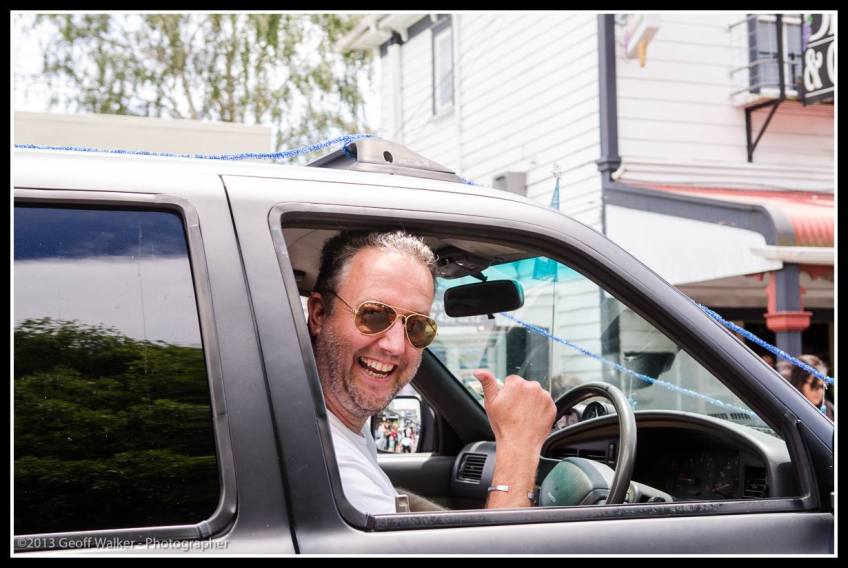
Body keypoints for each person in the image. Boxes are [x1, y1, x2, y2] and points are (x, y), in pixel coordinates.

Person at [307, 230, 556, 515]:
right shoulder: (331, 467)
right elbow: (501, 544)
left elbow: (391, 503)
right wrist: (519, 450)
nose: (395, 346)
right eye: (373, 314)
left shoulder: (326, 423)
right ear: (319, 314)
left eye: (417, 326)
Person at [787, 354, 834, 420]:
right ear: (799, 381)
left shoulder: (829, 410)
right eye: (814, 385)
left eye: (822, 386)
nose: (820, 392)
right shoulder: (786, 409)